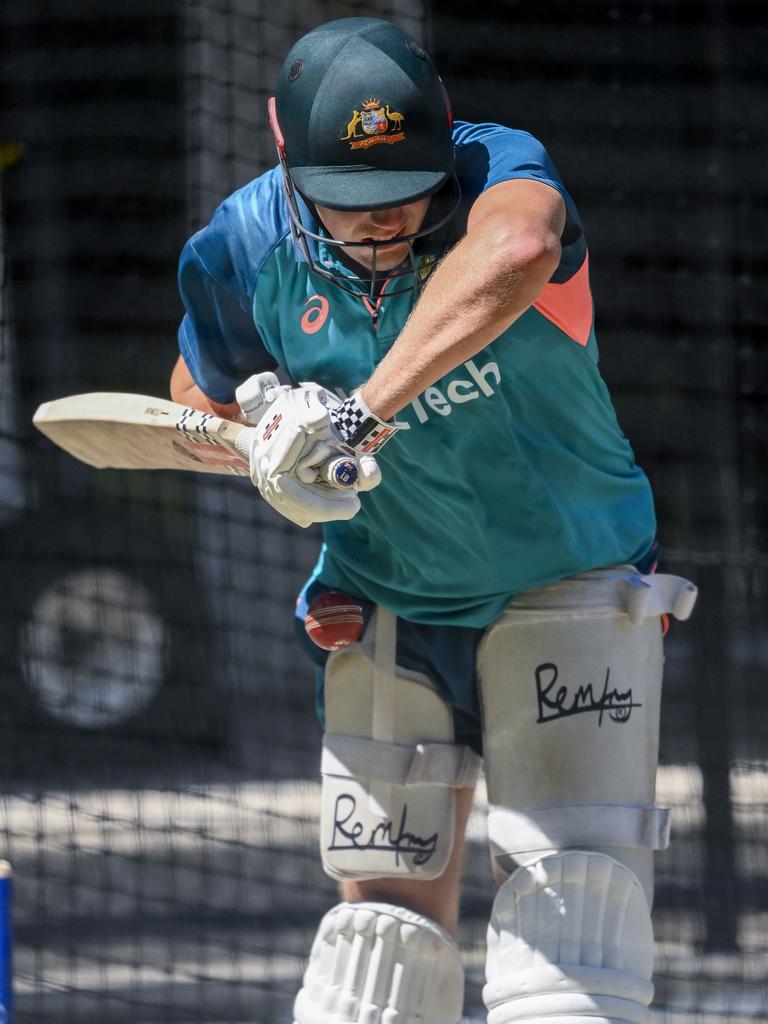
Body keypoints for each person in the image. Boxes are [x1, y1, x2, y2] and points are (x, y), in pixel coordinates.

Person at [170, 17, 697, 1024]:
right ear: (289, 159)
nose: (388, 222)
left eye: (405, 193)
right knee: (378, 955)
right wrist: (263, 429)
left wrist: (361, 409)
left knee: (571, 933)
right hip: (390, 602)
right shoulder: (243, 243)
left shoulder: (502, 174)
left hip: (570, 578)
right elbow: (195, 398)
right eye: (354, 206)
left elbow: (520, 246)